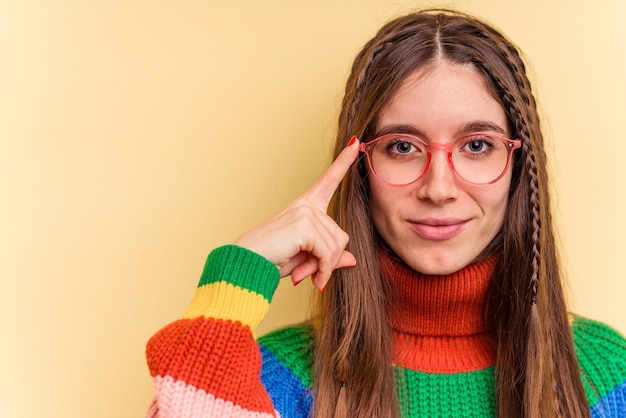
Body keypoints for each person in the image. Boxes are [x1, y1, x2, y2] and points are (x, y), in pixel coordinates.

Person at [144, 9, 626, 418]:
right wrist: (236, 276)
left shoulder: (605, 378)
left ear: (518, 167)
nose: (438, 188)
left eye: (477, 145)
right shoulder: (281, 382)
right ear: (360, 170)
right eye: (402, 146)